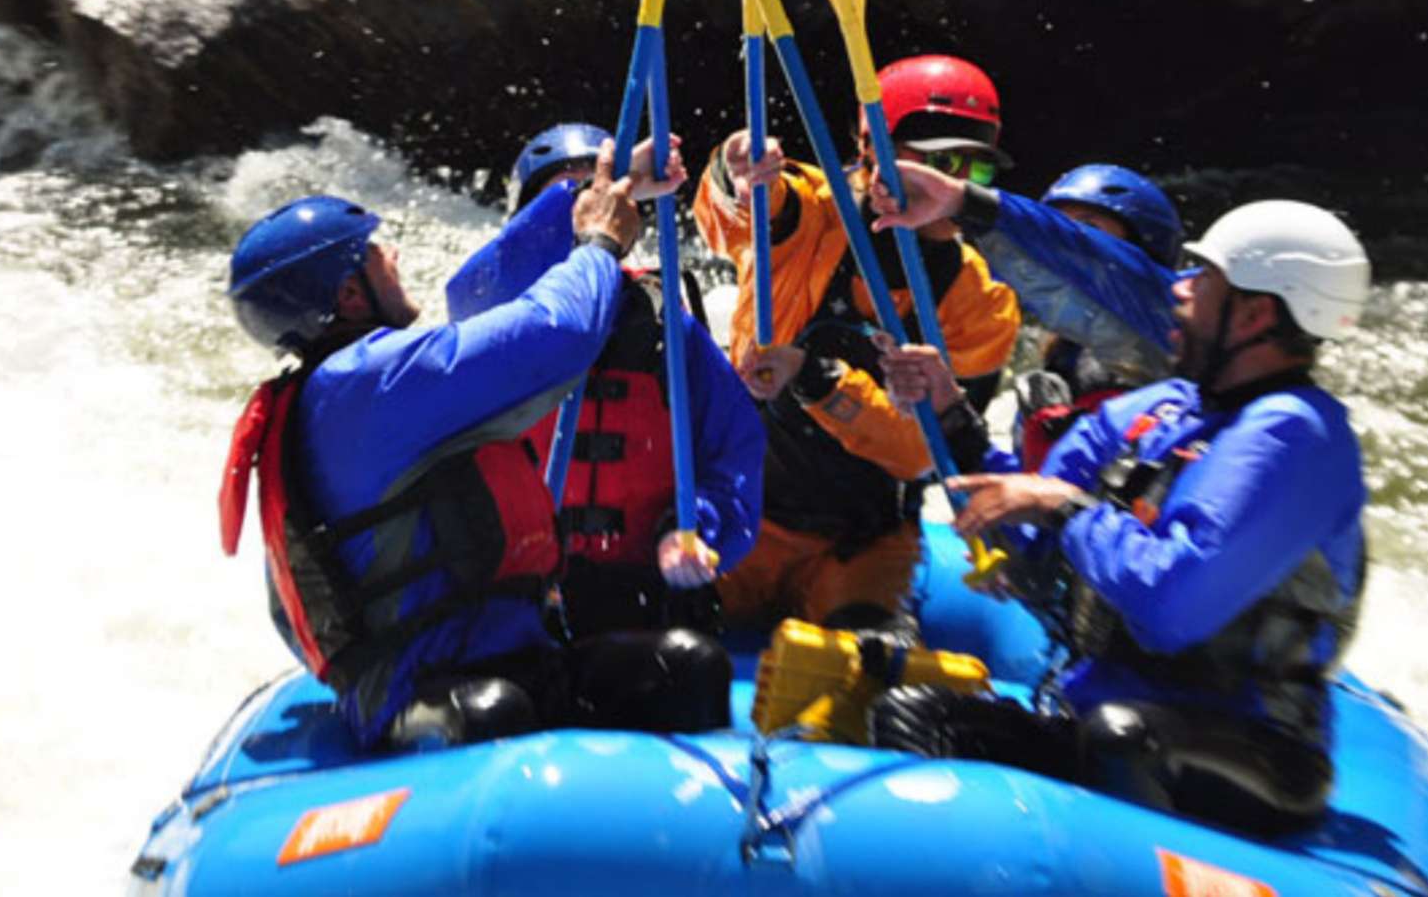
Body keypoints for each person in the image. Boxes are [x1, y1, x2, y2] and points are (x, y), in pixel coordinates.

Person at [870, 199, 1373, 837]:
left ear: (1254, 313)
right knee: (919, 716)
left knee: (1121, 738)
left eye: (1202, 278)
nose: (1179, 289)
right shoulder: (1164, 410)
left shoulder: (1296, 437)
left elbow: (1169, 606)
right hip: (1104, 708)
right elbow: (1033, 518)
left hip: (1249, 746)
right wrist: (950, 417)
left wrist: (1065, 510)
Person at [215, 137, 732, 753]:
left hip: (515, 655)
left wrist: (608, 190)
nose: (395, 255)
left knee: (689, 665)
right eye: (378, 252)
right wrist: (600, 244)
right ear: (350, 294)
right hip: (420, 688)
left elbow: (505, 299)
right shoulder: (367, 382)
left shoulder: (354, 383)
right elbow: (556, 334)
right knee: (493, 713)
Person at [691, 53, 1022, 636]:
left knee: (871, 670)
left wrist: (815, 378)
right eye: (942, 163)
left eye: (978, 172)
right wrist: (736, 175)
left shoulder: (980, 305)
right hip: (742, 518)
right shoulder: (811, 211)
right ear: (872, 153)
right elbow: (740, 217)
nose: (955, 188)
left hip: (858, 546)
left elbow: (924, 455)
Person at [444, 123, 766, 641]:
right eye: (568, 197)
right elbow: (472, 291)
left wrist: (692, 529)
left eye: (600, 196)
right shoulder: (497, 319)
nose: (591, 208)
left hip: (646, 589)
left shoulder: (667, 329)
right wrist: (598, 195)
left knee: (692, 666)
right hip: (521, 594)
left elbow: (734, 456)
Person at [872, 159, 1185, 472]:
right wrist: (948, 412)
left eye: (1085, 230)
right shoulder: (1054, 382)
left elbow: (1117, 277)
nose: (1054, 250)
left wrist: (969, 203)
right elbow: (1017, 509)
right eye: (1057, 226)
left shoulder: (1179, 330)